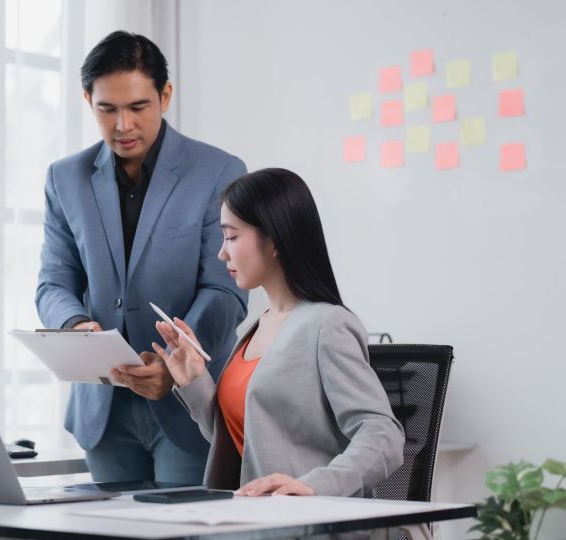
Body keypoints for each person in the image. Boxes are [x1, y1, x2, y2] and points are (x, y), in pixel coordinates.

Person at [35, 30, 247, 485]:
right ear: (87, 99)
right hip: (104, 408)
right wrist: (77, 328)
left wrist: (175, 365)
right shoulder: (65, 178)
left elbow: (225, 288)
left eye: (137, 107)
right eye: (106, 109)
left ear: (165, 96)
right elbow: (54, 282)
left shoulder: (218, 172)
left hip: (189, 404)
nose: (122, 126)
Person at [142, 168, 405, 497]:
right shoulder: (257, 326)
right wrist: (194, 379)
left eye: (232, 236)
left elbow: (383, 435)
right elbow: (249, 439)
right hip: (246, 516)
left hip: (305, 525)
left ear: (275, 240)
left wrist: (314, 485)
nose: (222, 253)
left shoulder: (327, 325)